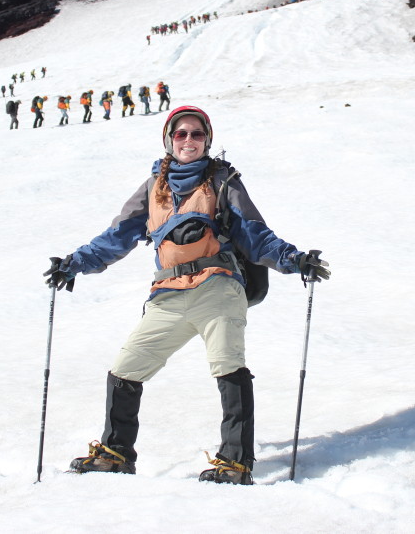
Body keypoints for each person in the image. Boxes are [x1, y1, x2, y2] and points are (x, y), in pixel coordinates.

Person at [42, 106, 330, 485]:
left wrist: (294, 259)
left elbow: (253, 233)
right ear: (169, 140)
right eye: (181, 134)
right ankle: (115, 453)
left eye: (197, 134)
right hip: (168, 293)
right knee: (127, 367)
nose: (189, 141)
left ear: (207, 140)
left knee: (228, 365)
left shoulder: (223, 181)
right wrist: (75, 262)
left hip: (218, 286)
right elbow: (118, 236)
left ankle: (235, 462)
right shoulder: (153, 188)